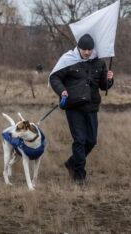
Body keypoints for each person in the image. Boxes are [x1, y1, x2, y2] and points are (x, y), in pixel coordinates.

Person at [49, 34, 114, 184]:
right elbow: (54, 78)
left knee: (91, 141)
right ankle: (79, 176)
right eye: (84, 49)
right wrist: (62, 91)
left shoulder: (99, 63)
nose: (87, 52)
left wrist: (109, 79)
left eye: (89, 49)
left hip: (91, 107)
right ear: (78, 48)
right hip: (73, 106)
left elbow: (103, 86)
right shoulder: (68, 60)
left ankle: (72, 162)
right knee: (79, 140)